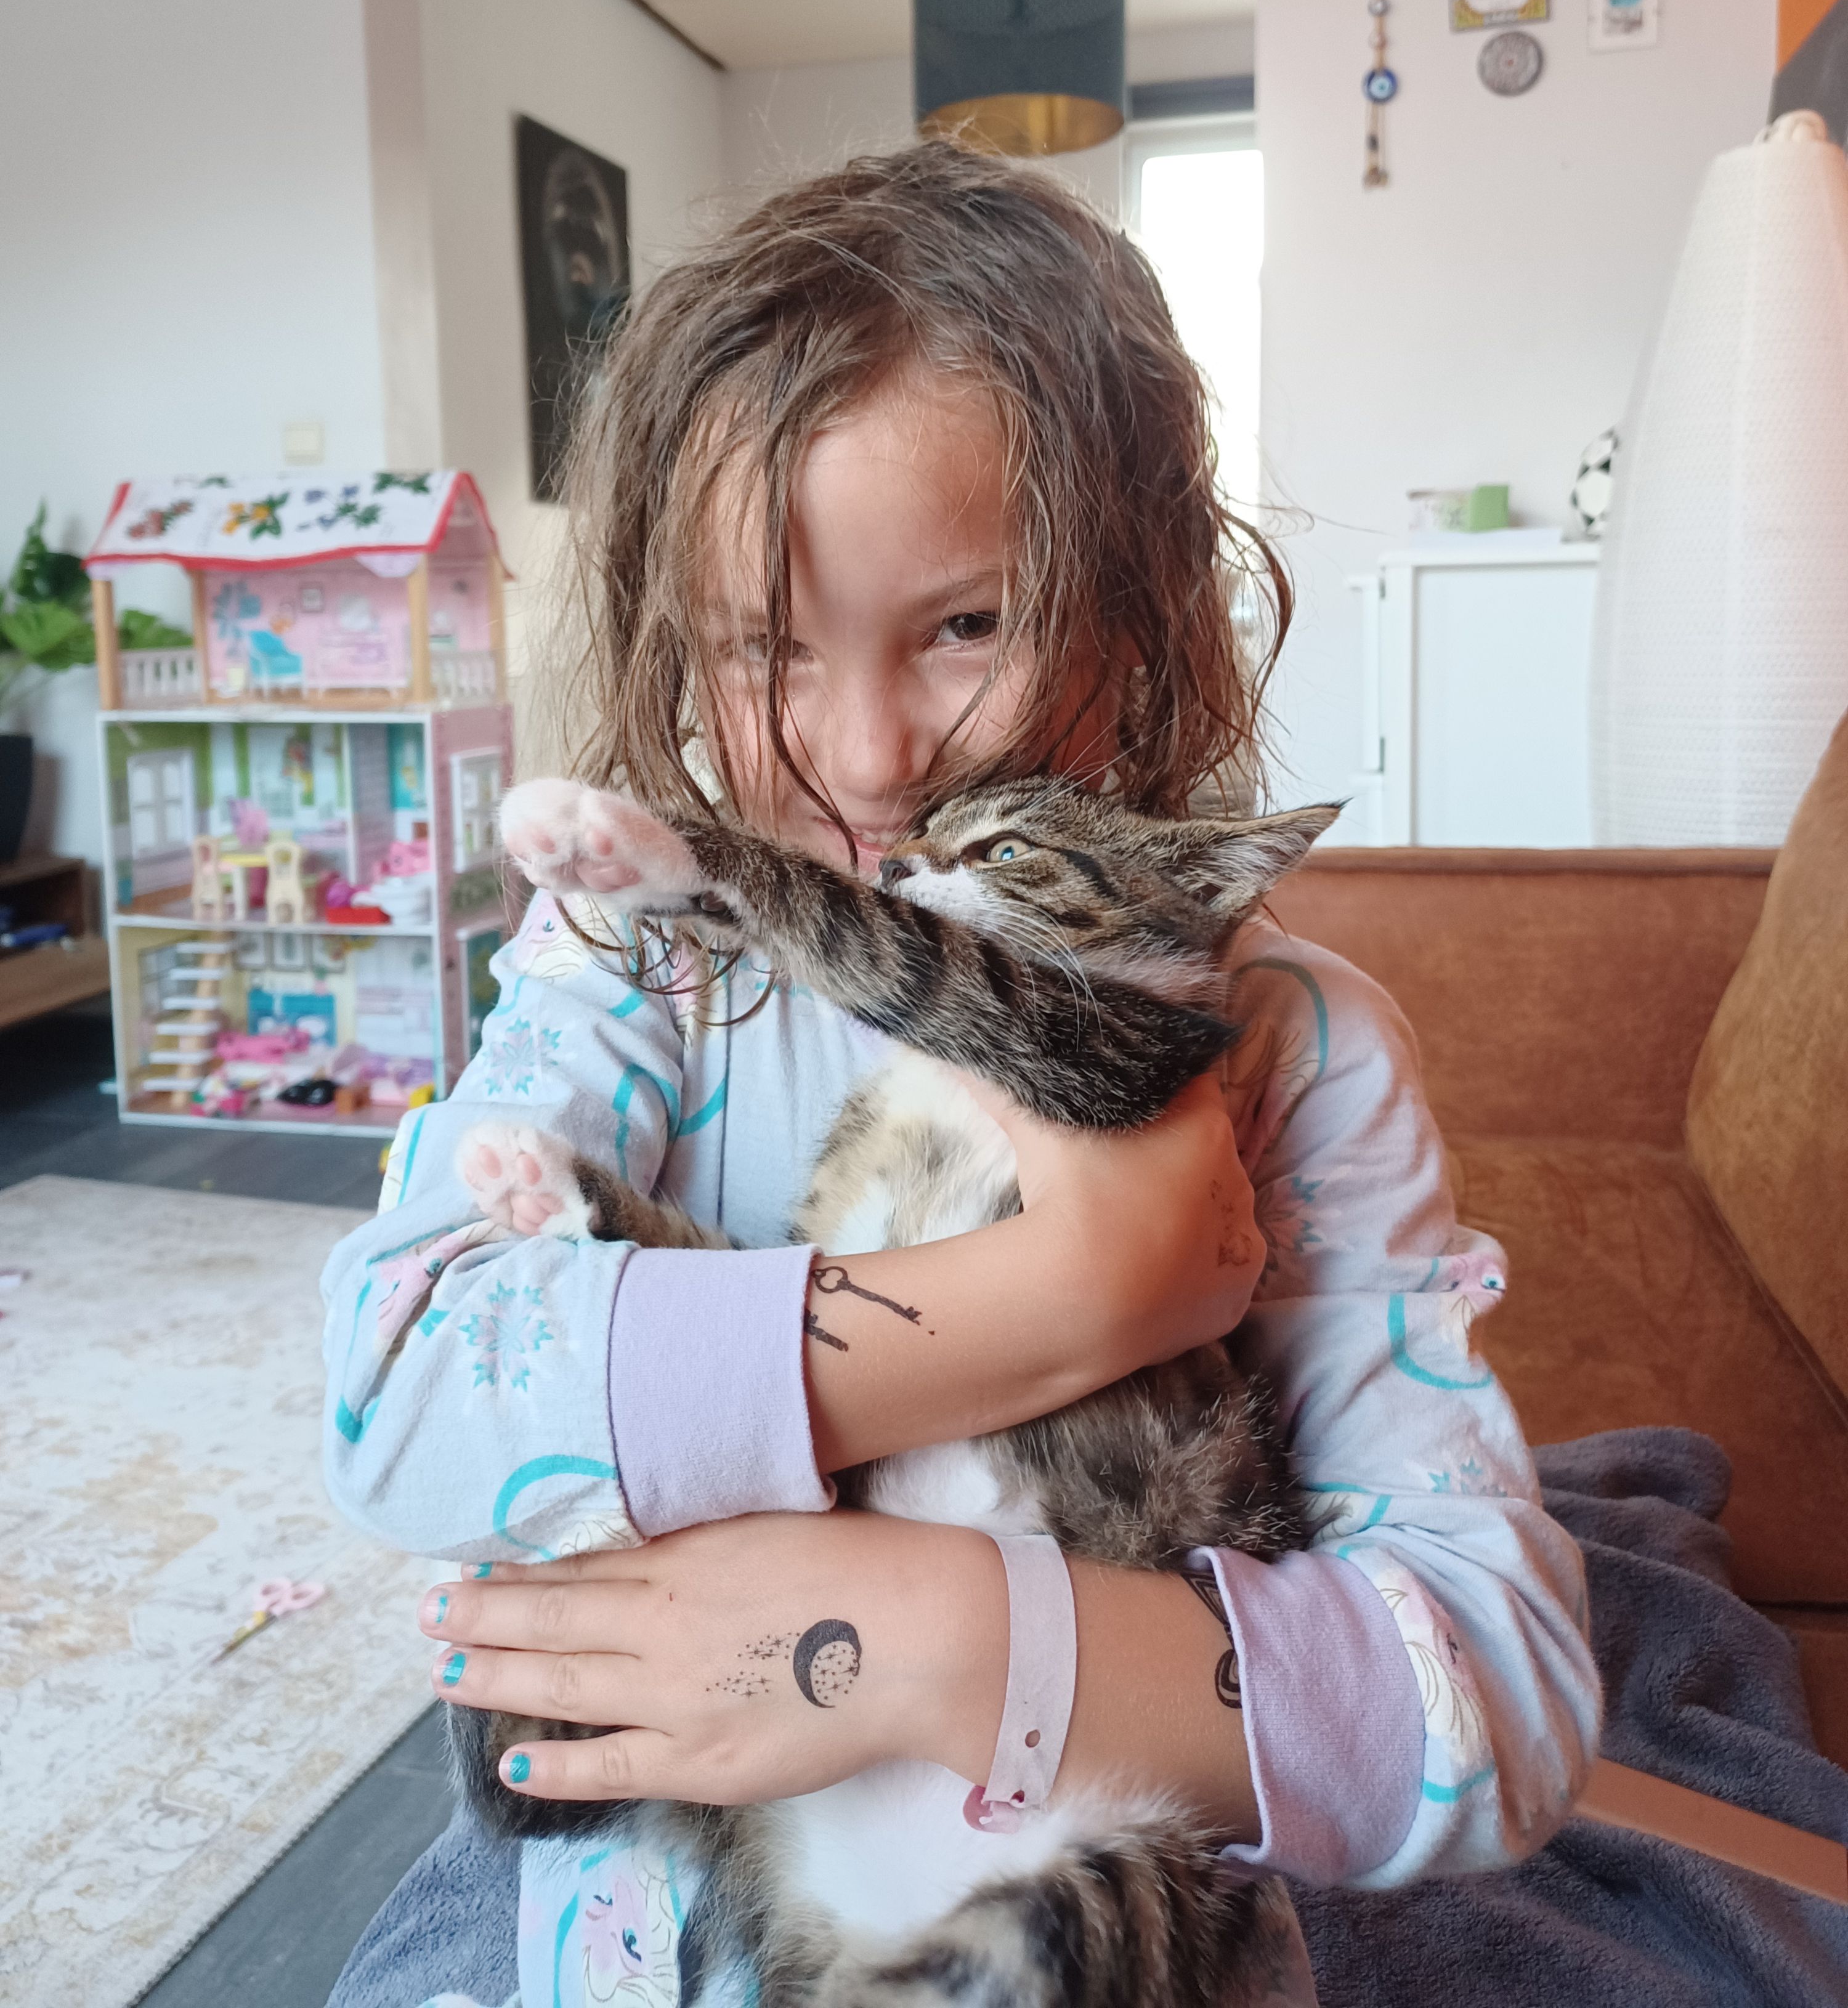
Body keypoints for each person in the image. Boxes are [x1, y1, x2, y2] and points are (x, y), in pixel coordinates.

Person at [322, 140, 1599, 2008]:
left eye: (969, 624)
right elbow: (395, 1389)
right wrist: (1078, 1292)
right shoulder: (638, 957)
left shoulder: (1292, 1046)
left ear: (1141, 605)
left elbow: (1504, 1693)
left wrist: (933, 1634)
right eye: (765, 646)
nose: (868, 757)